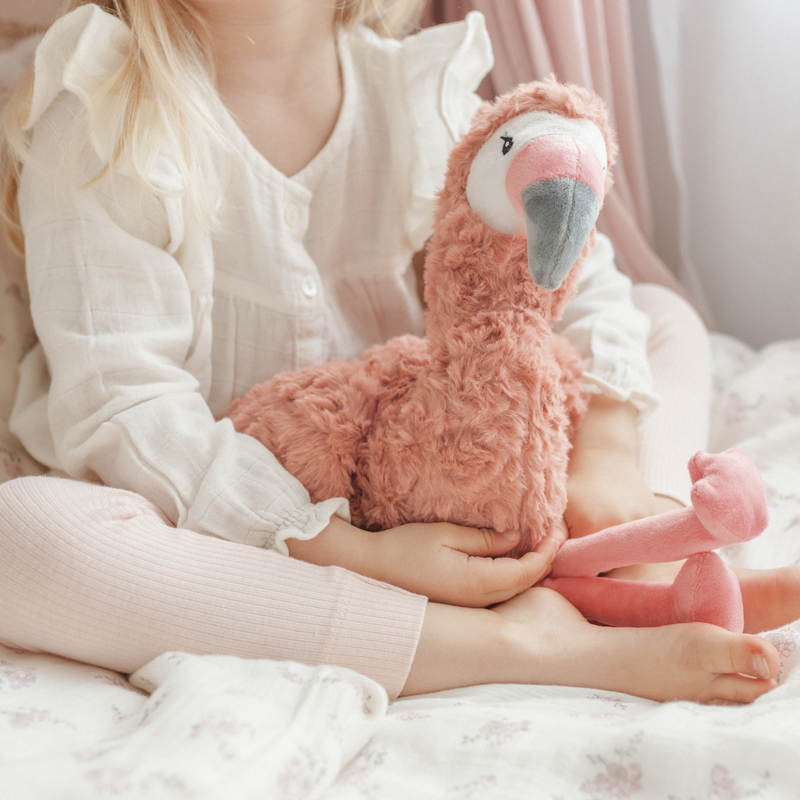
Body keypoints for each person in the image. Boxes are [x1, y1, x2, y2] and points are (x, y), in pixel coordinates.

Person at [0, 0, 795, 705]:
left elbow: (580, 288)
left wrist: (610, 449)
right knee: (23, 537)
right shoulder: (105, 112)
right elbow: (125, 409)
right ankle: (535, 644)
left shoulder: (420, 90)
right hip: (226, 513)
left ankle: (633, 559)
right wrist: (354, 552)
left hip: (423, 461)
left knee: (660, 316)